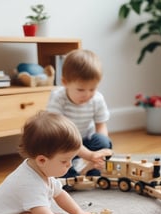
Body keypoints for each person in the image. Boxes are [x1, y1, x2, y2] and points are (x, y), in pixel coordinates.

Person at [47, 49, 112, 177]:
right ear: (65, 83)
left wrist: (100, 153)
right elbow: (61, 135)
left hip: (85, 140)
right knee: (60, 169)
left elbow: (101, 126)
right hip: (63, 142)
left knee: (103, 141)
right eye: (81, 90)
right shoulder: (58, 98)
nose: (87, 95)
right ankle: (71, 173)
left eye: (92, 89)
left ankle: (93, 169)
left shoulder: (97, 99)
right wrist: (89, 155)